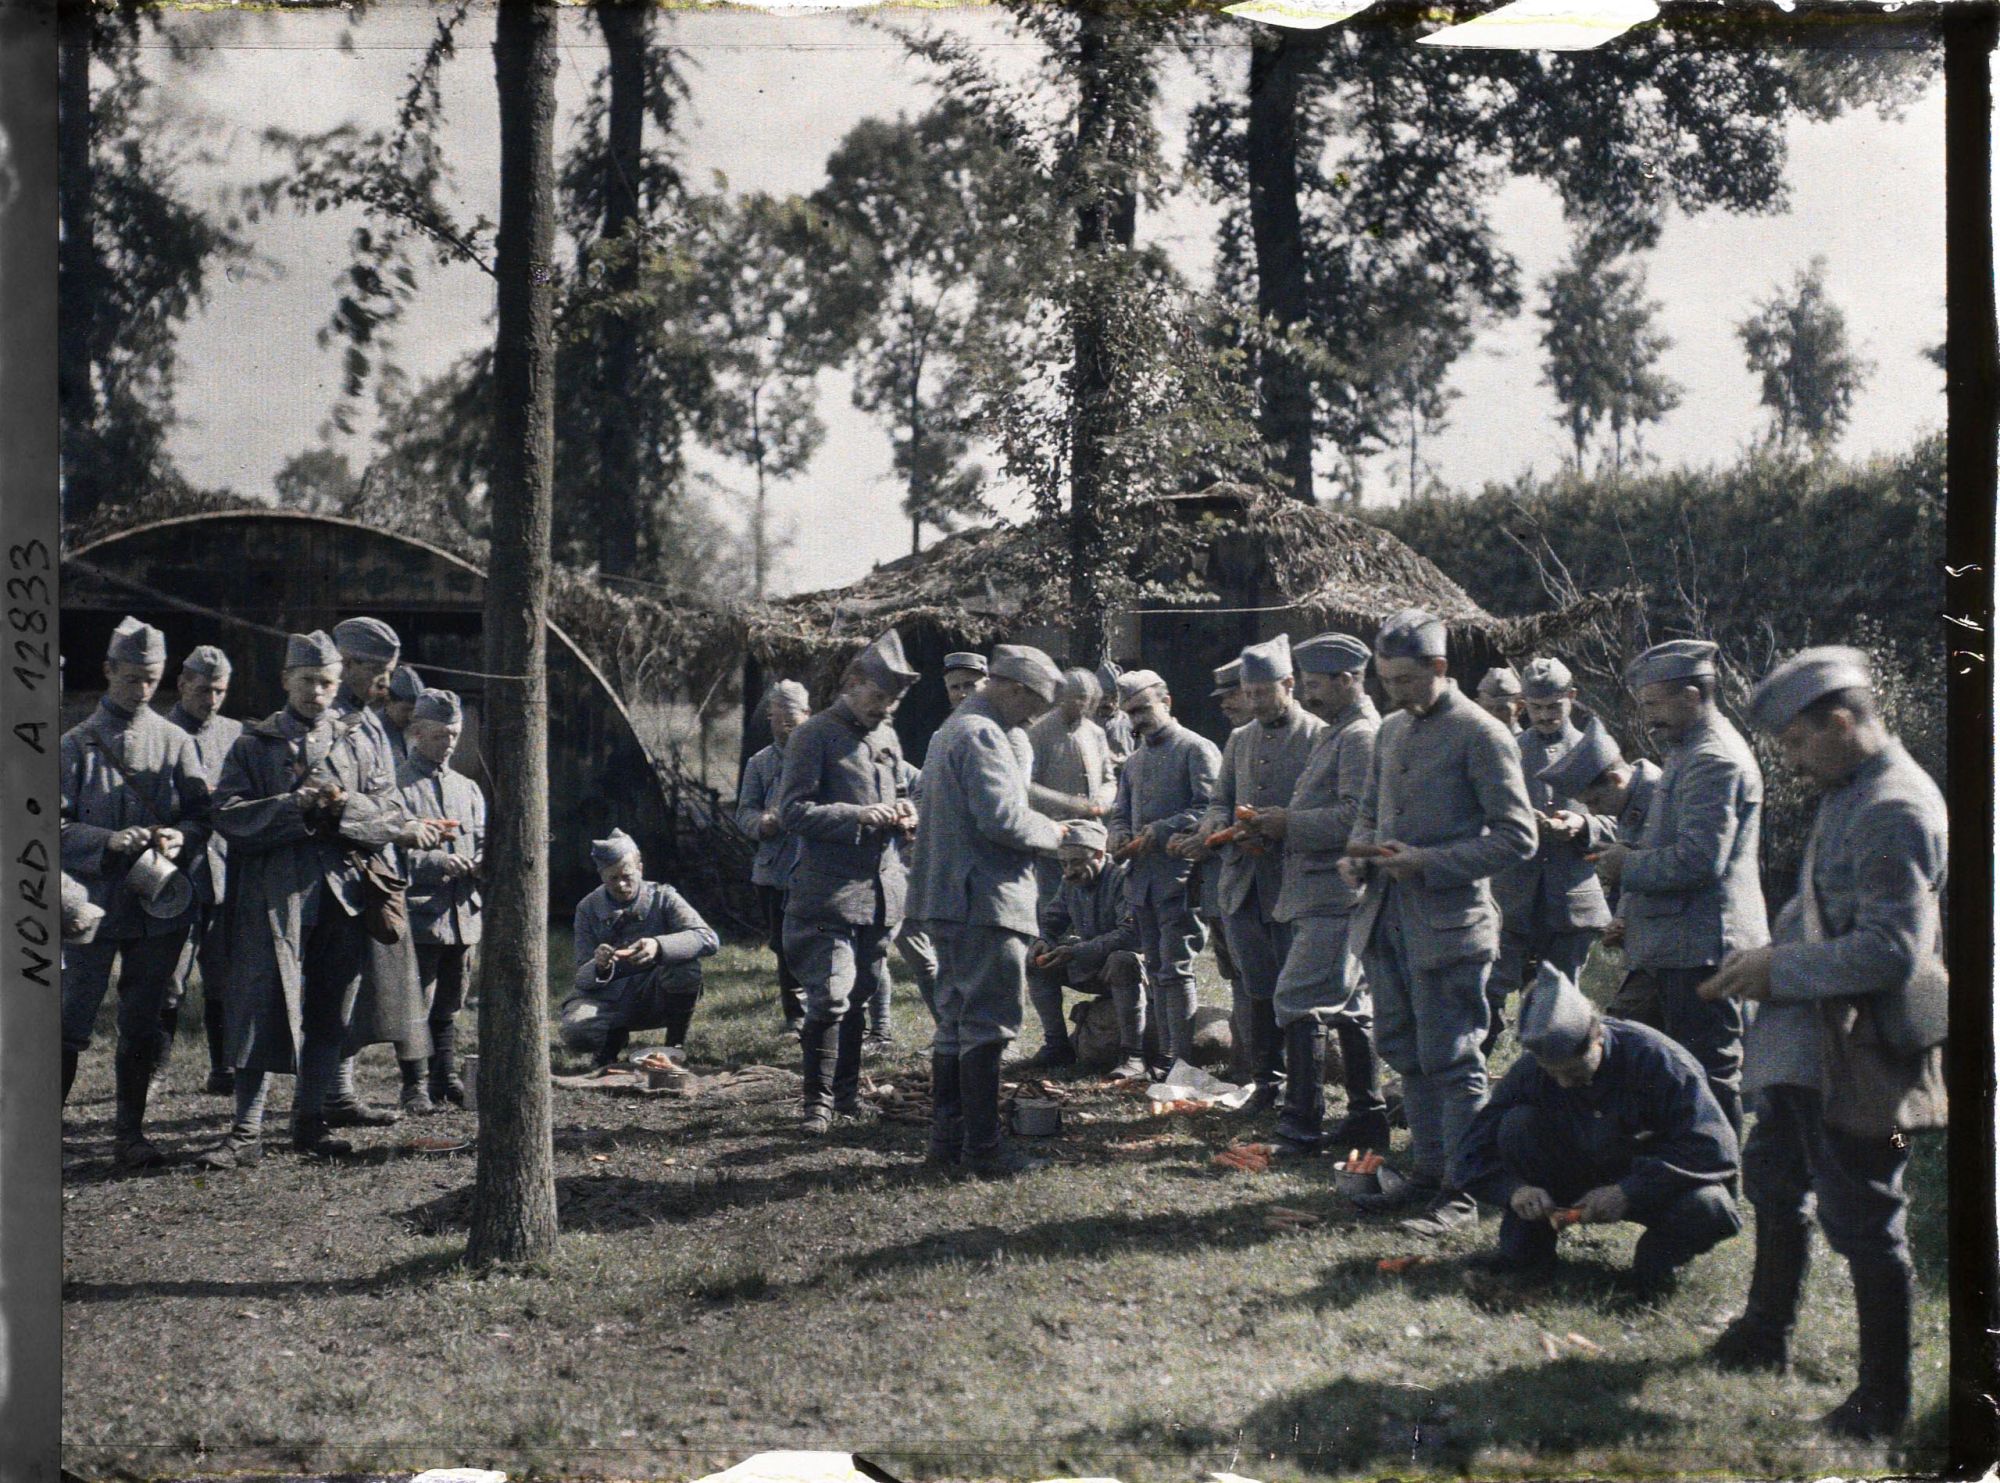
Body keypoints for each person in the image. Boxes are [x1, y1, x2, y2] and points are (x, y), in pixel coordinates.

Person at [1700, 647, 1946, 1441]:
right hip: (1811, 1043)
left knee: (1867, 1216)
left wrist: (1776, 969)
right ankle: (1764, 1331)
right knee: (1777, 1175)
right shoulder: (1855, 789)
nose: (1794, 763)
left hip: (1865, 1055)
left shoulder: (1892, 806)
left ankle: (1882, 1402)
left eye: (1799, 743)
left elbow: (1891, 952)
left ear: (1841, 721)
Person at [1338, 608, 1537, 1237]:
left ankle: (1465, 1188)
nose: (1393, 692)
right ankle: (1428, 1172)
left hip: (1451, 927)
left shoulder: (1482, 734)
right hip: (1386, 921)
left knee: (1453, 1060)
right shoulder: (1390, 731)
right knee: (1404, 1050)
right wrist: (1357, 855)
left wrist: (1427, 863)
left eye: (1404, 680)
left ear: (1440, 667)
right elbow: (1370, 811)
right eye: (1385, 680)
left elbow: (1518, 837)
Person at [196, 630, 421, 1166]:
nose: (316, 692)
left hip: (343, 894)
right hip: (273, 897)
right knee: (258, 1004)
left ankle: (310, 1121)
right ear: (285, 681)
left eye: (325, 682)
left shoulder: (361, 741)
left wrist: (345, 807)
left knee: (331, 1008)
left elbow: (392, 815)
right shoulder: (255, 744)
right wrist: (292, 806)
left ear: (338, 683)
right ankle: (245, 1134)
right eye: (306, 681)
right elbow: (227, 816)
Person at [1458, 964, 1741, 1304]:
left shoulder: (1660, 1062)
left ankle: (1653, 1270)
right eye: (1553, 1074)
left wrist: (1630, 1191)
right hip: (1573, 1174)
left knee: (1708, 1206)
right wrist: (1514, 1189)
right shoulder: (1530, 1072)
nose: (1564, 1083)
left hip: (1651, 1181)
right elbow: (1469, 1154)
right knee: (1516, 1125)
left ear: (1598, 1037)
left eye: (1575, 1071)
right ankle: (1527, 1256)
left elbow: (1713, 1150)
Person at [905, 644, 1068, 1177]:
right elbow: (1002, 819)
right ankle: (984, 1150)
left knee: (955, 1022)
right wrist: (1060, 833)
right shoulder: (982, 733)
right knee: (987, 1026)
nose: (1033, 720)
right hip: (983, 898)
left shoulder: (952, 729)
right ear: (1016, 689)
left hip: (951, 898)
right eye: (1033, 707)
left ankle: (946, 1144)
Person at [1593, 639, 1765, 1140]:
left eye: (1653, 704)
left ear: (1692, 696)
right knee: (1671, 1068)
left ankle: (1717, 1175)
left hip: (1703, 948)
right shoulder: (1691, 752)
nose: (1647, 718)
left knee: (1708, 1074)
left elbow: (1699, 861)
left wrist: (1626, 864)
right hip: (1683, 945)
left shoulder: (1713, 760)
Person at [60, 617, 214, 1167]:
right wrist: (104, 840)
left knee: (143, 1020)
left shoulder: (176, 742)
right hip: (89, 905)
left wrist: (180, 836)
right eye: (132, 678)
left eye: (152, 679)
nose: (143, 689)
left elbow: (201, 817)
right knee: (69, 1020)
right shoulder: (75, 745)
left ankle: (130, 1136)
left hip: (157, 905)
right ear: (108, 670)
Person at [1247, 632, 1387, 1158]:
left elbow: (1356, 819)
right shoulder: (1341, 731)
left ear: (1348, 680)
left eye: (1315, 684)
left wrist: (1288, 824)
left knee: (1298, 998)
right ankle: (1367, 1118)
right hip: (1323, 891)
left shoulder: (1359, 736)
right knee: (1349, 1006)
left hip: (1335, 893)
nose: (1307, 695)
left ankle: (1301, 1126)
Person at [776, 630, 919, 1135]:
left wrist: (906, 813)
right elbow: (792, 812)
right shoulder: (813, 735)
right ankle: (815, 1103)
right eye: (878, 697)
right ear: (852, 683)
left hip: (880, 896)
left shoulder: (886, 737)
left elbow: (901, 791)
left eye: (893, 702)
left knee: (858, 994)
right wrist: (856, 815)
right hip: (828, 896)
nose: (885, 709)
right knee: (831, 996)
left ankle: (845, 1096)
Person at [1182, 635, 1324, 1114]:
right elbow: (1220, 800)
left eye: (1263, 693)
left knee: (1297, 992)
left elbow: (1327, 812)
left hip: (1294, 884)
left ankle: (1305, 1090)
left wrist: (1281, 826)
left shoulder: (1318, 736)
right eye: (1248, 693)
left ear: (1289, 685)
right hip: (1243, 886)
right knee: (1257, 987)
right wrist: (1215, 825)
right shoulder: (1240, 740)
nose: (1255, 702)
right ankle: (1266, 1083)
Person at [324, 615, 434, 1127]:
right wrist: (396, 827)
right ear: (347, 663)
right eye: (378, 672)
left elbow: (384, 795)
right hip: (330, 871)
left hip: (367, 869)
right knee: (331, 986)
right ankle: (326, 1097)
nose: (386, 684)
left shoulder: (369, 721)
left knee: (356, 982)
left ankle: (339, 1094)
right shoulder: (326, 720)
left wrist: (402, 822)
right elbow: (336, 804)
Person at [1487, 656, 1611, 1055]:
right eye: (1536, 707)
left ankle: (1554, 1081)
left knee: (1560, 1006)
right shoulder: (1507, 750)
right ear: (1523, 704)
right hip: (1511, 901)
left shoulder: (1594, 750)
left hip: (1571, 904)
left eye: (1554, 706)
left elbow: (1625, 820)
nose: (1545, 716)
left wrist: (1582, 825)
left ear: (1571, 697)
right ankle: (1469, 1079)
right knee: (1487, 995)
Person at [1107, 668, 1218, 1075]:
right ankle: (1162, 1056)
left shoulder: (1196, 749)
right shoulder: (1134, 762)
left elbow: (1211, 808)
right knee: (1154, 968)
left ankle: (1180, 1061)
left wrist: (1162, 829)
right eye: (1130, 713)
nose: (1137, 720)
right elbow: (1119, 812)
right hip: (1142, 883)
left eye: (1143, 709)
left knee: (1176, 969)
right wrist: (1118, 834)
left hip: (1181, 878)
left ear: (1166, 702)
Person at [393, 688, 485, 1113]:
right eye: (438, 735)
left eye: (454, 735)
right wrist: (437, 862)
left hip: (462, 912)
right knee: (417, 1001)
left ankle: (445, 1077)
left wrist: (480, 860)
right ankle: (414, 1085)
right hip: (421, 914)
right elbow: (388, 853)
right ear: (416, 733)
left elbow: (481, 838)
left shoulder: (467, 788)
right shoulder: (398, 786)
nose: (448, 743)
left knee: (450, 1001)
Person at [561, 829, 719, 1067]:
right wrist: (599, 966)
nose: (621, 884)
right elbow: (582, 978)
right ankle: (611, 1042)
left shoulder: (664, 898)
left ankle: (674, 1047)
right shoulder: (588, 908)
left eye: (627, 876)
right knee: (576, 1031)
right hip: (610, 998)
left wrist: (659, 946)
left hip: (656, 992)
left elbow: (708, 938)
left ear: (640, 869)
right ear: (601, 876)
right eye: (612, 878)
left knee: (684, 967)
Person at [163, 643, 243, 1096]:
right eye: (203, 691)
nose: (211, 700)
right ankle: (154, 1071)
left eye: (220, 692)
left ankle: (224, 1067)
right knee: (168, 978)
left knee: (224, 975)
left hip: (224, 871)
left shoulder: (236, 734)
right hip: (174, 874)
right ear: (182, 685)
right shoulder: (160, 731)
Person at [1026, 819, 1146, 1074]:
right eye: (1064, 864)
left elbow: (1130, 934)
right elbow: (1052, 921)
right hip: (1094, 962)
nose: (1069, 871)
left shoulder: (1123, 877)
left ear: (1100, 854)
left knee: (1122, 960)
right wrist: (1043, 940)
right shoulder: (1070, 881)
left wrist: (1076, 951)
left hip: (1138, 969)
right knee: (1034, 963)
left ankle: (1133, 1056)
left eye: (1076, 862)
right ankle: (1057, 1047)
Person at [1534, 716, 1659, 927]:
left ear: (1616, 779)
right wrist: (1622, 920)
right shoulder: (1632, 799)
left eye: (1594, 801)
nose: (1594, 811)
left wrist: (1628, 863)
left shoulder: (1661, 798)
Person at [736, 679, 811, 1030]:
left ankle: (825, 1012)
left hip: (813, 867)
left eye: (791, 718)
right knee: (784, 945)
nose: (783, 725)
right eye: (776, 717)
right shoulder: (760, 763)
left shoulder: (821, 755)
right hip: (774, 870)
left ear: (807, 714)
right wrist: (761, 823)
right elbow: (744, 813)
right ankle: (795, 1016)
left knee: (817, 942)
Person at [1026, 668, 1118, 901]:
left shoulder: (1095, 733)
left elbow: (1109, 779)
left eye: (1087, 698)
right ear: (1060, 696)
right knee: (1053, 905)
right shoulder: (1038, 733)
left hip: (1090, 840)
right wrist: (1069, 803)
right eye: (1075, 697)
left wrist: (1102, 801)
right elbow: (1026, 786)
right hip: (1053, 842)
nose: (1081, 704)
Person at [378, 663, 423, 766]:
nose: (411, 716)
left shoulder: (415, 732)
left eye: (416, 711)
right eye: (406, 709)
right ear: (389, 701)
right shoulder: (376, 732)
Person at [1094, 659, 1134, 766]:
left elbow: (1140, 745)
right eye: (1104, 698)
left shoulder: (1131, 723)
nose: (1109, 704)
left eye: (1114, 699)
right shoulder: (1088, 723)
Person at [1475, 665, 1524, 731]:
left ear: (1519, 708)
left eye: (1501, 709)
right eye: (1487, 709)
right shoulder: (1468, 736)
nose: (1493, 716)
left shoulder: (1529, 737)